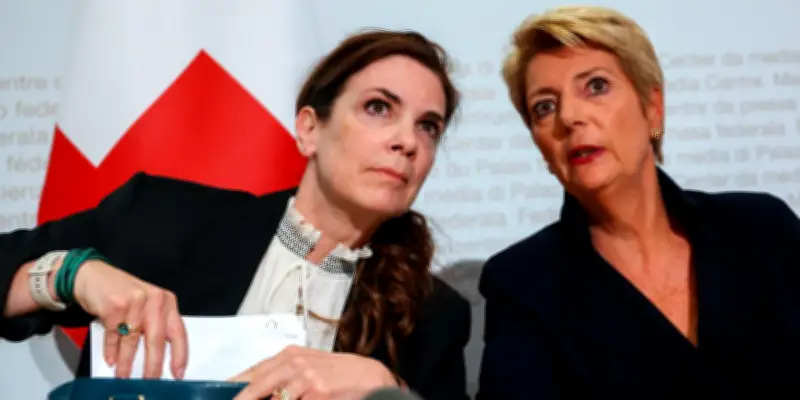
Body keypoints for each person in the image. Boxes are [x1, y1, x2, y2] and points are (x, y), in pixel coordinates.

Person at [0, 29, 471, 400]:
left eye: (428, 127)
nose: (407, 142)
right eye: (379, 108)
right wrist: (70, 273)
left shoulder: (435, 316)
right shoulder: (163, 217)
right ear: (309, 129)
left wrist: (389, 390)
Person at [477, 5, 800, 399]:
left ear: (652, 108)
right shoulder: (521, 283)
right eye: (544, 106)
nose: (569, 117)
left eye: (596, 86)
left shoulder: (763, 228)